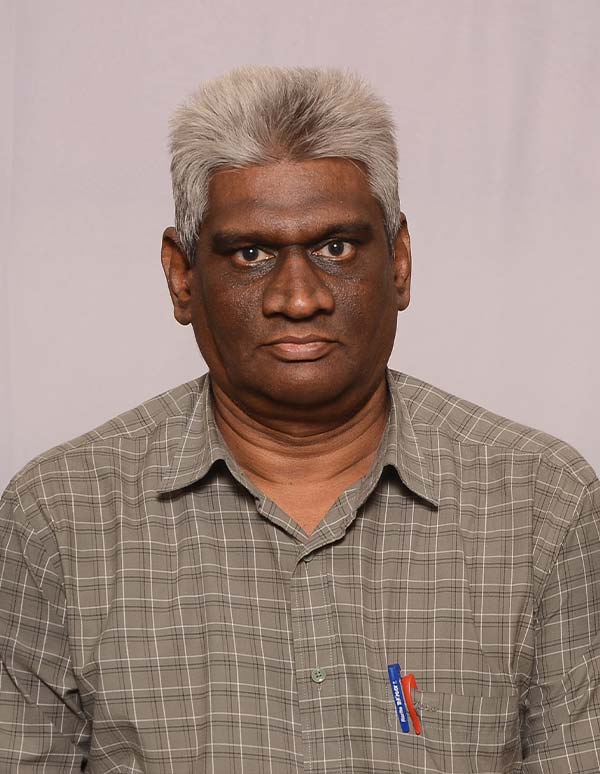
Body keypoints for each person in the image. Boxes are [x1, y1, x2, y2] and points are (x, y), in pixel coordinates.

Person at [0, 66, 598, 774]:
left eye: (335, 247)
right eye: (251, 254)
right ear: (182, 277)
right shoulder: (59, 515)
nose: (299, 297)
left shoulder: (542, 503)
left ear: (399, 262)